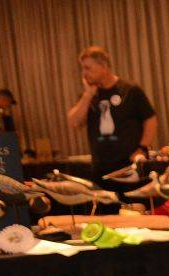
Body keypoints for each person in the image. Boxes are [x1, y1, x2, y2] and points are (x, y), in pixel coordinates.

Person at [67, 46, 157, 191]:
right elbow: (74, 122)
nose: (84, 73)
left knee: (133, 211)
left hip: (129, 166)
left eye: (87, 68)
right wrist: (88, 94)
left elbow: (150, 119)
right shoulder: (90, 95)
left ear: (103, 66)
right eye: (82, 69)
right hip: (101, 168)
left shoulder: (130, 90)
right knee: (107, 212)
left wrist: (142, 148)